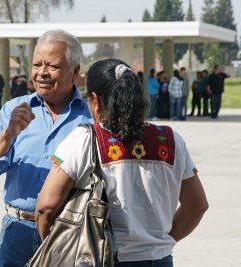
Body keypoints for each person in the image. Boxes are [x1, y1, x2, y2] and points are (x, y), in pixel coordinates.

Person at [36, 58, 209, 267]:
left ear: (96, 101)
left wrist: (58, 245)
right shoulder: (170, 139)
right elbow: (197, 205)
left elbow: (45, 208)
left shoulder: (84, 139)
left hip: (103, 258)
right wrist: (162, 242)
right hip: (160, 260)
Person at [0, 29, 92, 266]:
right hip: (17, 232)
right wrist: (8, 134)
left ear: (75, 71)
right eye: (37, 64)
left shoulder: (90, 116)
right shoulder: (14, 109)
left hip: (68, 231)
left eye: (51, 66)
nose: (41, 73)